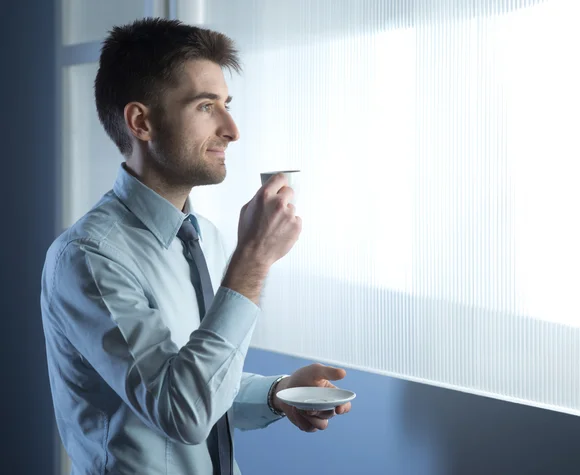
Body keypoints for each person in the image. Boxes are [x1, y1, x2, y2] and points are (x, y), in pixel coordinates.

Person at [40, 18, 351, 475]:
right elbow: (181, 412)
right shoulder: (88, 258)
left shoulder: (206, 237)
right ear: (141, 121)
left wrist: (275, 394)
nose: (232, 129)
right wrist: (254, 260)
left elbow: (200, 384)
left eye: (227, 104)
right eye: (207, 107)